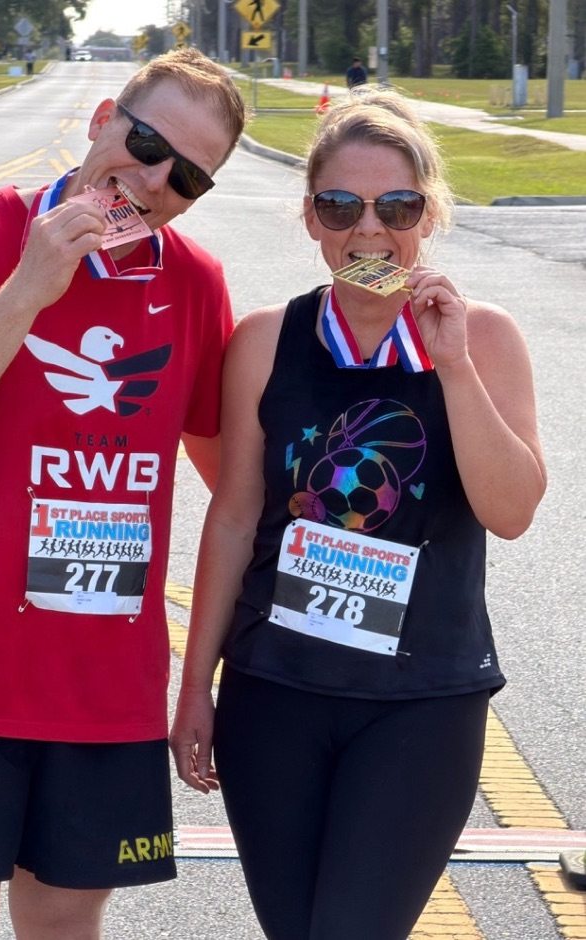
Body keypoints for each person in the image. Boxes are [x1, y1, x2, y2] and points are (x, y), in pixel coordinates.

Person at [0, 48, 245, 940]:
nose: (150, 180)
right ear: (103, 115)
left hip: (103, 693)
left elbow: (235, 488)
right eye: (145, 143)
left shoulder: (194, 285)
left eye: (186, 176)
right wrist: (27, 292)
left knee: (67, 928)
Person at [170, 87, 546, 940]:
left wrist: (451, 368)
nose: (368, 231)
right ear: (310, 218)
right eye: (341, 206)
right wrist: (196, 687)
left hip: (420, 704)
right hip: (275, 698)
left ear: (430, 212)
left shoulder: (483, 339)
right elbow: (233, 518)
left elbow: (513, 511)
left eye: (397, 206)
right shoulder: (267, 340)